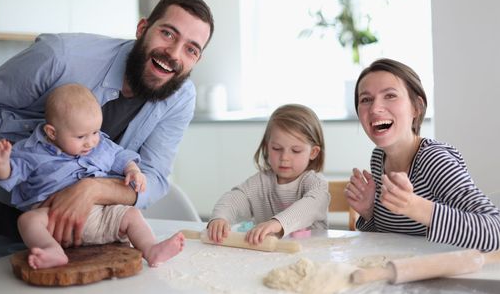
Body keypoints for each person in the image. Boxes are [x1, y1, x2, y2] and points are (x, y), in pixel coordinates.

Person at [0, 0, 214, 262]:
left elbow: (155, 176)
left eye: (191, 49)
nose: (173, 53)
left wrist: (91, 189)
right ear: (142, 28)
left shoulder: (180, 97)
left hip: (95, 226)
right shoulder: (59, 57)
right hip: (10, 220)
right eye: (168, 34)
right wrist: (43, 150)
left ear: (197, 59)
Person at [0, 84, 184, 269]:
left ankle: (151, 249)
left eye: (95, 132)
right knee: (27, 221)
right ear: (52, 133)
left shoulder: (100, 145)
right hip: (54, 220)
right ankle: (52, 251)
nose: (90, 142)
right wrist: (1, 163)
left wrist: (133, 170)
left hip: (100, 216)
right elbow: (9, 177)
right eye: (81, 137)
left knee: (132, 215)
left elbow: (120, 156)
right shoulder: (31, 152)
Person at [344, 58, 500, 252]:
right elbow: (390, 240)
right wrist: (368, 213)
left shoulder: (434, 159)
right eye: (366, 99)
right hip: (401, 273)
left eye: (390, 95)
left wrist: (414, 206)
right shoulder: (379, 158)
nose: (375, 108)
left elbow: (495, 231)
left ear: (416, 107)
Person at [207, 104, 329, 245]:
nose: (285, 157)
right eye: (277, 148)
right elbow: (235, 198)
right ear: (266, 147)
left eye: (295, 150)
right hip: (267, 259)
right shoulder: (261, 182)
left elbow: (310, 206)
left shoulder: (317, 184)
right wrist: (220, 218)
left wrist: (276, 223)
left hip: (313, 256)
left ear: (313, 152)